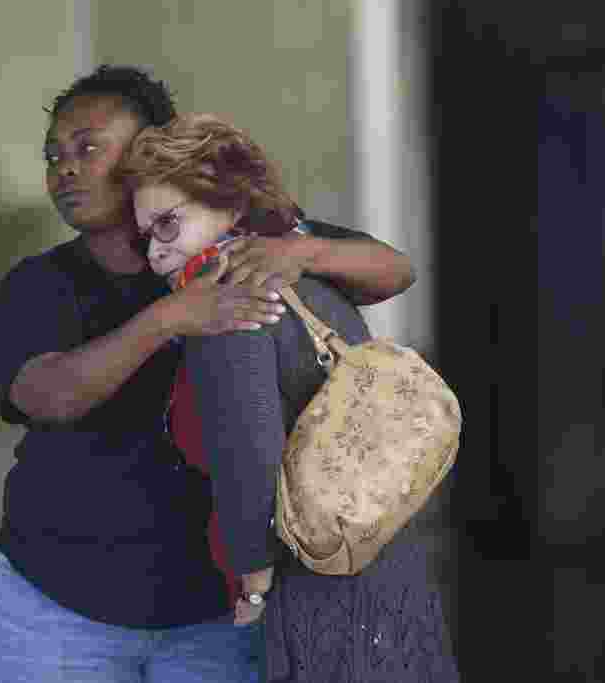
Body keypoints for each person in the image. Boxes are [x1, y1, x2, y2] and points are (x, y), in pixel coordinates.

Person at [0, 65, 416, 682]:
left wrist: (304, 249)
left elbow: (393, 271)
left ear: (148, 151)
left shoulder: (239, 240)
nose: (65, 168)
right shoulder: (38, 284)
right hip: (58, 602)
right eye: (54, 155)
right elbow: (46, 395)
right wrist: (170, 317)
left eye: (88, 148)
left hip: (218, 612)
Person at [120, 111, 459, 682]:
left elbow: (247, 449)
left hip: (316, 580)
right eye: (145, 237)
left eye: (168, 225)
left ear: (227, 202)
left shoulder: (227, 298)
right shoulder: (309, 274)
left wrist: (252, 582)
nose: (154, 253)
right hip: (386, 553)